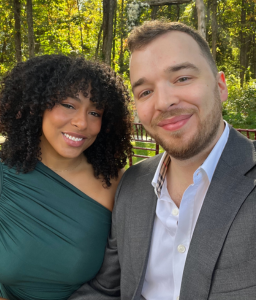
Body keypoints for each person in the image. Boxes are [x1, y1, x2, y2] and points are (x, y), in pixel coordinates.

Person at [69, 21, 256, 300]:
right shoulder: (131, 184)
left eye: (182, 78)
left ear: (220, 87)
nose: (164, 102)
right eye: (145, 92)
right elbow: (106, 290)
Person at [0, 54, 132, 300]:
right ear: (36, 106)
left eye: (95, 112)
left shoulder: (116, 184)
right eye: (69, 105)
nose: (81, 122)